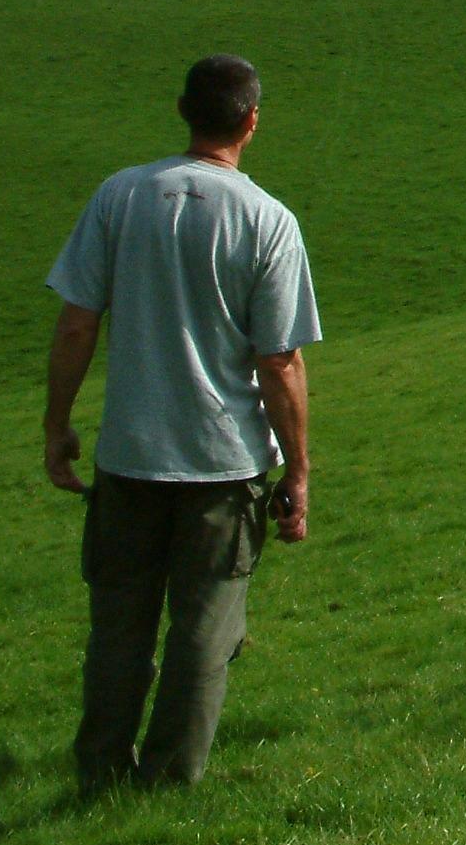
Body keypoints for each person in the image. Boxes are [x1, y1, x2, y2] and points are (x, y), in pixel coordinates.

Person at [42, 54, 321, 795]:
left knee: (118, 628)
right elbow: (280, 362)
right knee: (204, 634)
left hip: (128, 454)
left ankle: (99, 771)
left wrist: (57, 424)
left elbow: (76, 325)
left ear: (182, 110)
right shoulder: (267, 219)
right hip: (222, 465)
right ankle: (166, 784)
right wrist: (296, 471)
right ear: (252, 121)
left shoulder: (120, 197)